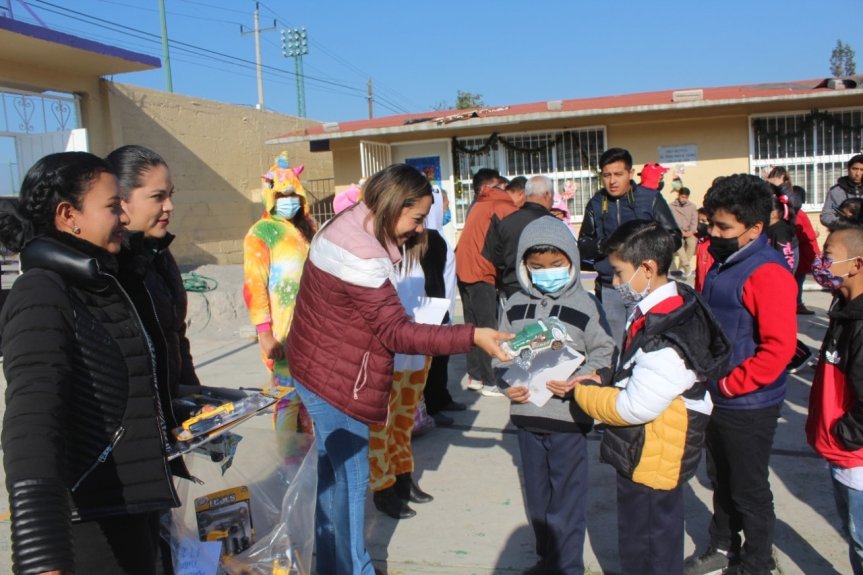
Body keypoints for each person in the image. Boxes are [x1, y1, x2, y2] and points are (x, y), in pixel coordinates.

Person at [284, 163, 512, 575]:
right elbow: (397, 333)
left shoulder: (348, 223)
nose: (421, 229)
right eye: (418, 218)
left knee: (334, 482)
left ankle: (331, 568)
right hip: (337, 381)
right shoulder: (362, 254)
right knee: (352, 487)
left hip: (316, 365)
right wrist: (472, 335)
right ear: (392, 205)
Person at [0, 152, 180, 574]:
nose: (124, 217)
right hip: (91, 523)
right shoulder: (43, 292)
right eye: (113, 206)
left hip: (131, 506)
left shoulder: (101, 282)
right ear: (69, 216)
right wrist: (42, 556)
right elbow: (31, 423)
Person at [573, 219, 729, 575]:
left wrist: (584, 392)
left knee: (645, 544)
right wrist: (606, 376)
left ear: (647, 268)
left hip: (652, 453)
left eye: (618, 272)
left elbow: (634, 407)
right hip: (654, 447)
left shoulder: (666, 337)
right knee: (654, 536)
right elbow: (634, 367)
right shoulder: (669, 303)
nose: (615, 283)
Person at [685, 174, 798, 575]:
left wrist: (731, 385)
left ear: (754, 228)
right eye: (711, 224)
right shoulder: (724, 262)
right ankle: (723, 546)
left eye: (723, 228)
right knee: (721, 478)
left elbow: (778, 348)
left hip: (747, 403)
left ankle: (757, 562)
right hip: (717, 394)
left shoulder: (767, 272)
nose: (713, 234)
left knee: (749, 488)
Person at [497, 215, 616, 575]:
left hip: (569, 420)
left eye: (555, 264)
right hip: (527, 418)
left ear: (571, 261)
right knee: (538, 501)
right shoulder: (513, 304)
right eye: (537, 267)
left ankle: (568, 567)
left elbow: (604, 353)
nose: (547, 272)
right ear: (524, 266)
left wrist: (581, 381)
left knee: (567, 501)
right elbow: (500, 355)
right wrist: (506, 384)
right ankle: (547, 561)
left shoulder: (586, 304)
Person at [242, 152, 317, 436]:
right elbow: (254, 286)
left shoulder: (308, 228)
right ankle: (289, 457)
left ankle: (311, 455)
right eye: (283, 195)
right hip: (283, 334)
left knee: (313, 399)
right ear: (271, 196)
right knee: (287, 399)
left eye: (293, 194)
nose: (289, 200)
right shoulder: (261, 233)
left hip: (315, 330)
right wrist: (264, 334)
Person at [578, 147, 682, 345]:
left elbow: (674, 237)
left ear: (631, 173)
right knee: (615, 347)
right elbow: (583, 244)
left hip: (647, 286)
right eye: (607, 175)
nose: (612, 181)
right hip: (611, 288)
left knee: (650, 343)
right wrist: (606, 245)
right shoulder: (596, 203)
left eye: (618, 174)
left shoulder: (650, 198)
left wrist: (643, 249)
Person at [806, 219, 863, 575]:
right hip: (841, 452)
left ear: (856, 264)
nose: (820, 263)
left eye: (828, 256)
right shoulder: (843, 308)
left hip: (855, 457)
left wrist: (844, 434)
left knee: (860, 539)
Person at [456, 168, 519, 396]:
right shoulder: (501, 205)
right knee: (487, 328)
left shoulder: (479, 203)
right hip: (481, 272)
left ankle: (475, 376)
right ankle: (491, 381)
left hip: (464, 268)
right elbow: (506, 243)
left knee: (471, 327)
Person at [484, 174, 554, 299]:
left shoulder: (505, 222)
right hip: (546, 288)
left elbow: (494, 256)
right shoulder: (553, 224)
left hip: (512, 288)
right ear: (547, 195)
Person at [792, 185, 821, 315]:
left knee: (799, 279)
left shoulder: (797, 213)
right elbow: (801, 233)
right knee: (798, 279)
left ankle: (797, 302)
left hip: (804, 253)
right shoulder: (797, 214)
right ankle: (797, 303)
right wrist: (814, 234)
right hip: (802, 254)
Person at [821, 154, 863, 226]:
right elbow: (826, 216)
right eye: (854, 169)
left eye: (862, 170)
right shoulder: (835, 191)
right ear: (848, 169)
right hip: (843, 230)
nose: (857, 174)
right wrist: (843, 222)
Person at [670, 187, 698, 279]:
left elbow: (694, 221)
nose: (684, 199)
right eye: (682, 197)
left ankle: (682, 267)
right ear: (678, 195)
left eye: (686, 197)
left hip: (688, 231)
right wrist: (679, 231)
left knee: (692, 242)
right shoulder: (671, 206)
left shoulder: (692, 206)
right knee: (678, 242)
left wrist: (691, 231)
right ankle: (687, 266)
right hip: (677, 231)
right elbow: (670, 221)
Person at [693, 207, 713, 293]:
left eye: (704, 221)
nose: (700, 224)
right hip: (700, 288)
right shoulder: (701, 242)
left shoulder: (714, 245)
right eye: (699, 221)